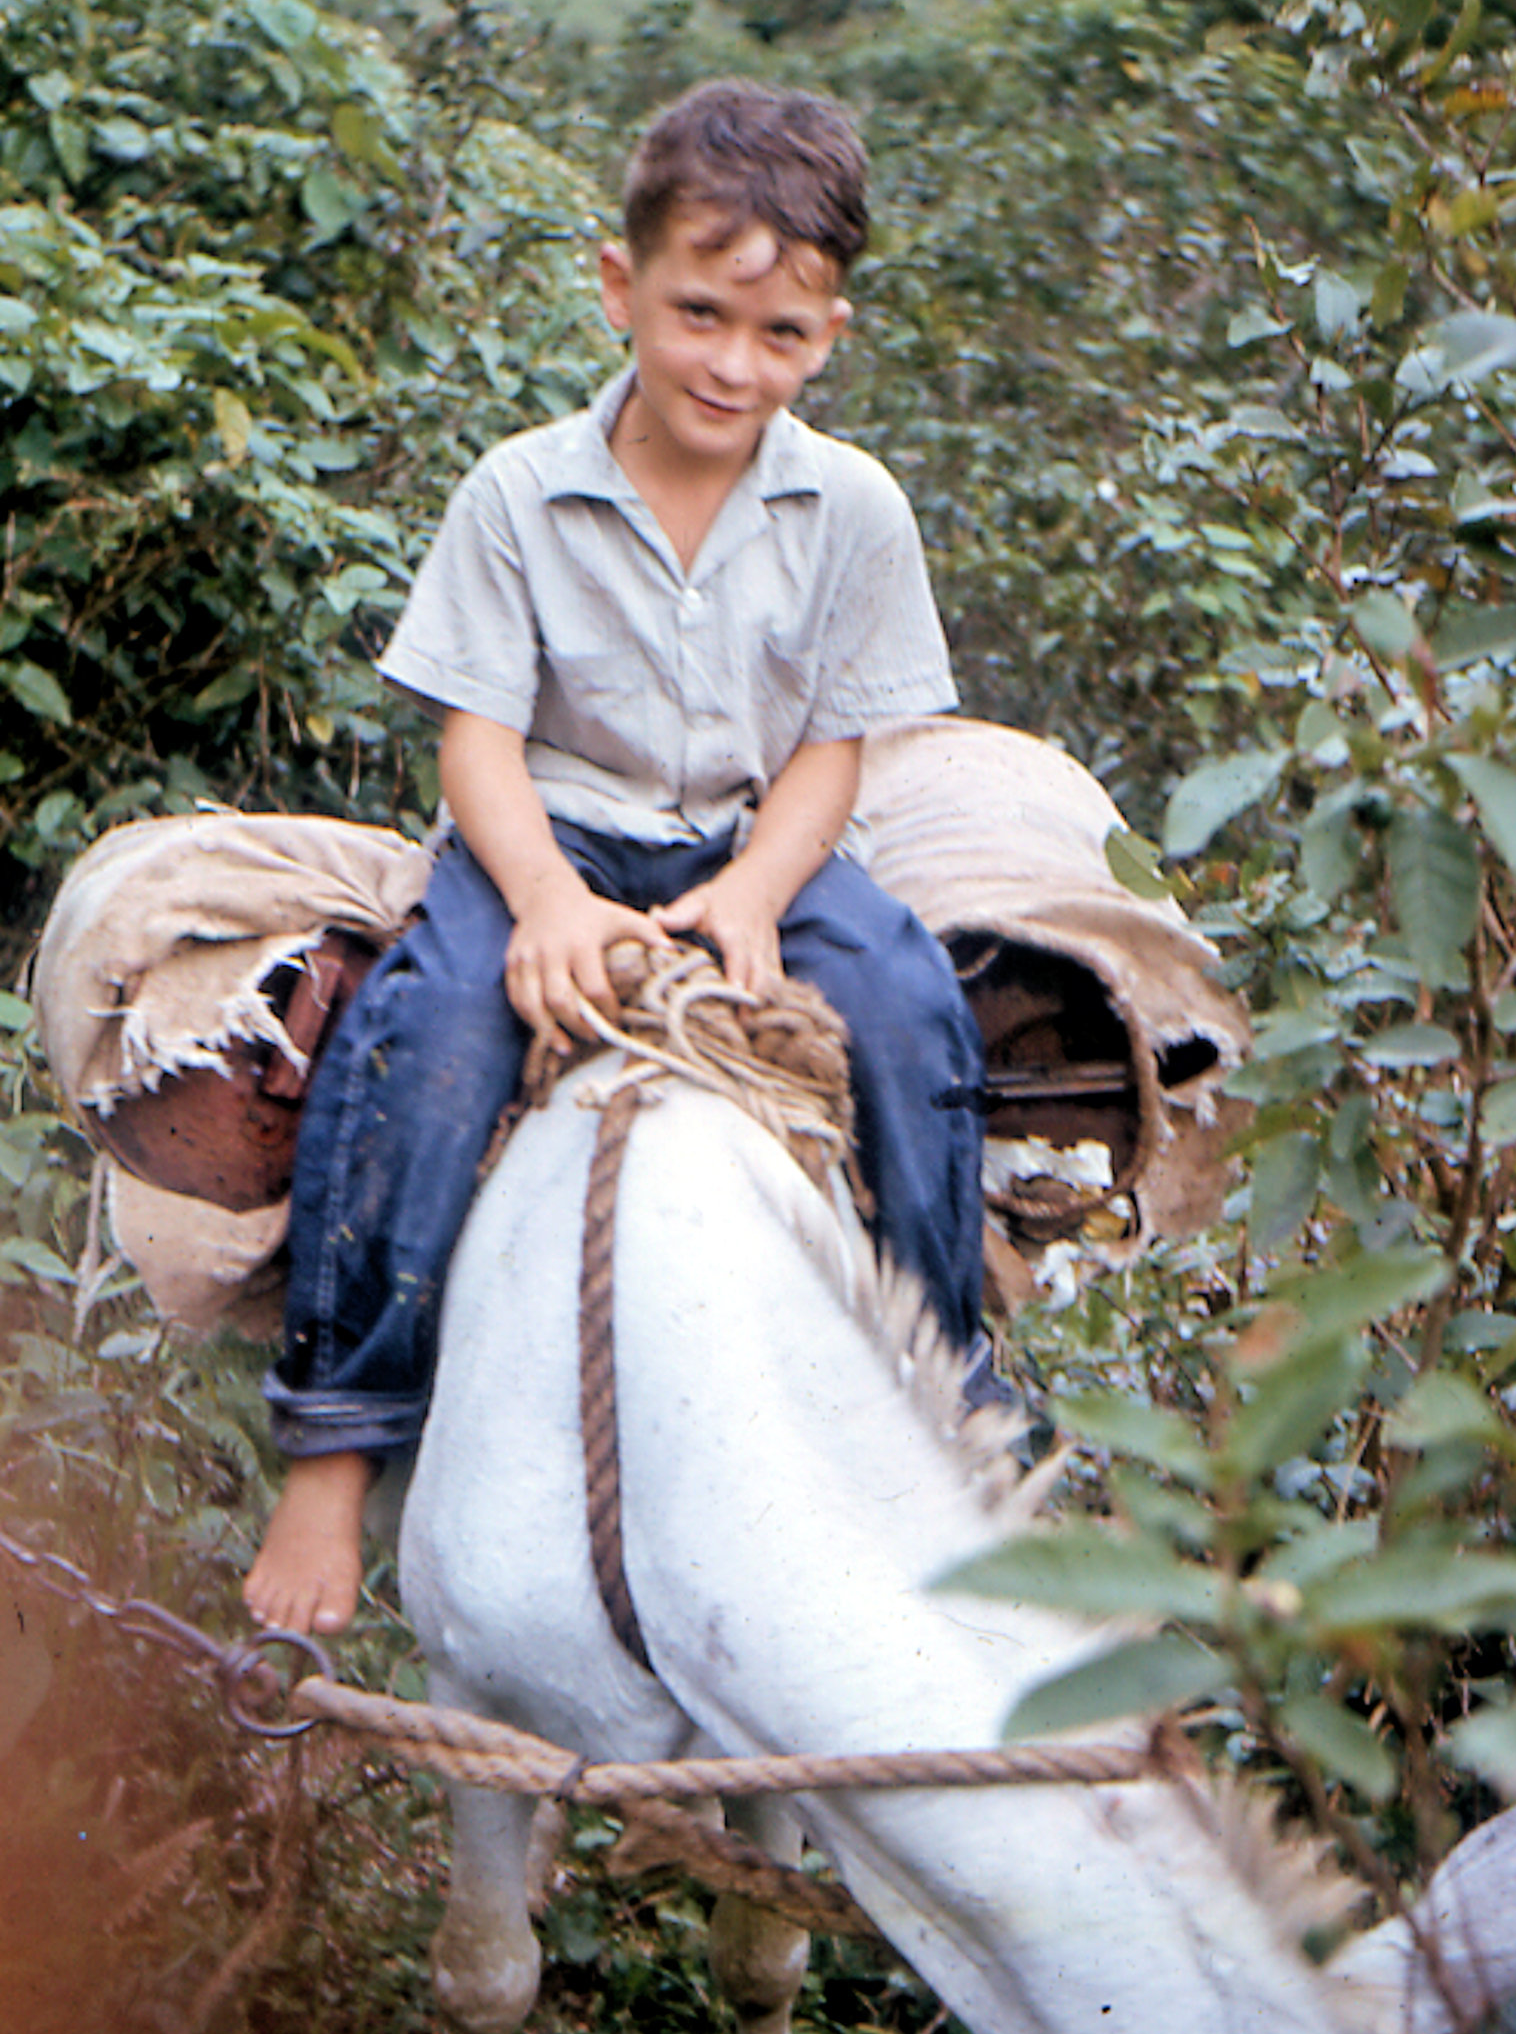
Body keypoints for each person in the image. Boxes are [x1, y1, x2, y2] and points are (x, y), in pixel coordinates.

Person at [244, 79, 992, 1638]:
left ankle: (951, 1401)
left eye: (780, 337)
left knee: (916, 1017)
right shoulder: (520, 490)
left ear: (831, 332)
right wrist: (541, 903)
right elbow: (477, 737)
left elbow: (832, 750)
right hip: (551, 829)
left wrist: (757, 894)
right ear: (620, 286)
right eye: (699, 312)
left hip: (743, 836)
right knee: (424, 1045)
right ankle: (335, 1441)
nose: (734, 363)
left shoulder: (853, 509)